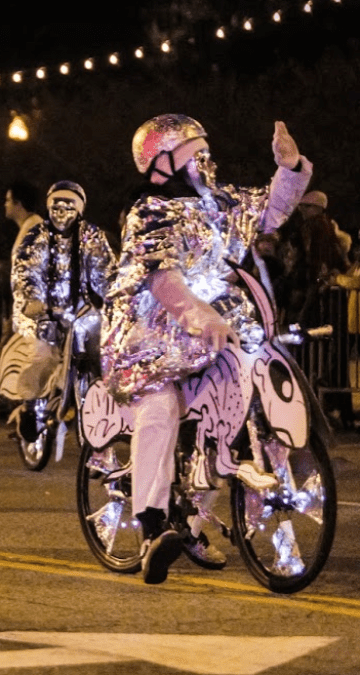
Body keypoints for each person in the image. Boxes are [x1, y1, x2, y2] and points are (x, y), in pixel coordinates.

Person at [101, 114, 311, 585]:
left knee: (236, 400)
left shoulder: (219, 202)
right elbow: (161, 278)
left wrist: (290, 165)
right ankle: (152, 527)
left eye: (204, 148)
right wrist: (197, 314)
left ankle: (197, 514)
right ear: (164, 159)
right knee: (162, 405)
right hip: (148, 329)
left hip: (212, 324)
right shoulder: (149, 211)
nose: (205, 157)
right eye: (194, 150)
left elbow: (271, 210)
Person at [8, 181, 116, 443]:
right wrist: (34, 300)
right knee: (42, 357)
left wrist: (115, 298)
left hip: (80, 312)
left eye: (69, 205)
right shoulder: (38, 236)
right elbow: (27, 271)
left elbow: (107, 272)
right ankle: (29, 407)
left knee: (105, 354)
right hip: (43, 312)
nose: (62, 210)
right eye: (57, 205)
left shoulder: (92, 236)